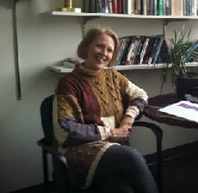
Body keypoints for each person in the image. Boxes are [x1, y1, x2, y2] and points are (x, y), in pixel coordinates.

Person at [53, 27, 159, 193]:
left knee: (124, 190)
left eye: (109, 50)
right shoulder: (68, 83)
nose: (104, 53)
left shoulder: (113, 77)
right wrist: (110, 132)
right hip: (80, 153)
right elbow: (65, 131)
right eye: (99, 46)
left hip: (113, 153)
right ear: (87, 46)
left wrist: (128, 119)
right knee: (131, 157)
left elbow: (140, 94)